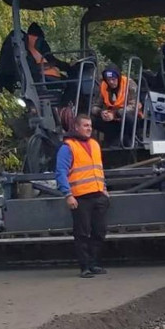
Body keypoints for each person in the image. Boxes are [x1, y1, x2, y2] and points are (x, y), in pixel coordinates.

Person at [55, 113, 110, 278]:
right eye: (85, 126)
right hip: (80, 198)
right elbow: (60, 172)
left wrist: (104, 188)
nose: (89, 129)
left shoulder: (94, 144)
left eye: (90, 126)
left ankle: (94, 264)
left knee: (99, 232)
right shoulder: (67, 147)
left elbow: (98, 169)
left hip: (98, 195)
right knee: (82, 233)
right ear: (76, 127)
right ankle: (85, 267)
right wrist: (68, 195)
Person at [91, 63, 141, 147]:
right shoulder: (103, 86)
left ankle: (131, 140)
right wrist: (101, 112)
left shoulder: (129, 84)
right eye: (108, 79)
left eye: (113, 79)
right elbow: (94, 106)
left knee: (126, 116)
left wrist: (114, 114)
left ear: (118, 77)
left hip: (129, 118)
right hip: (111, 119)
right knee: (90, 119)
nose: (111, 82)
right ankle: (110, 141)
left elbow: (135, 105)